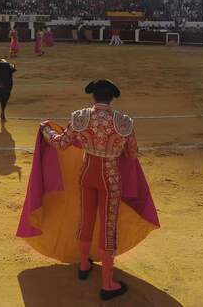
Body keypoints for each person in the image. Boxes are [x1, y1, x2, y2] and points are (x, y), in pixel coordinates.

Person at [41, 79, 136, 300]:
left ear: (93, 96)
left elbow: (60, 143)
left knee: (86, 219)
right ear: (111, 98)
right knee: (107, 226)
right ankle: (107, 284)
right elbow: (131, 154)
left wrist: (45, 129)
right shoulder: (123, 122)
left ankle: (84, 266)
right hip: (110, 178)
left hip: (86, 174)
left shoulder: (80, 117)